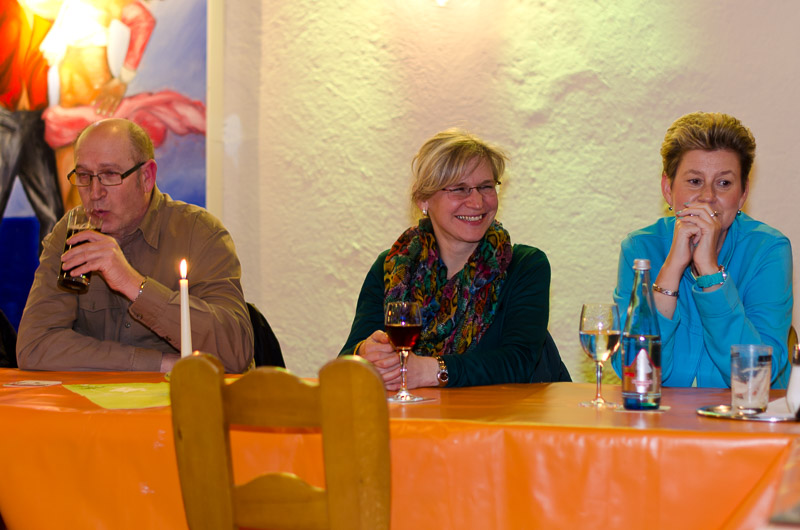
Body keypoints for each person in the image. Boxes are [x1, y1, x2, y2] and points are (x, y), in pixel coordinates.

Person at [16, 118, 253, 373]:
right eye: (84, 176)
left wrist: (133, 284)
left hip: (178, 397)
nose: (94, 193)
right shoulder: (70, 234)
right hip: (100, 399)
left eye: (109, 175)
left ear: (146, 177)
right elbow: (34, 346)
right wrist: (159, 363)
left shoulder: (199, 233)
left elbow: (236, 352)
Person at [339, 129, 570, 388]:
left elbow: (518, 362)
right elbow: (346, 360)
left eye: (486, 186)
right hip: (421, 414)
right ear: (423, 199)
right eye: (459, 189)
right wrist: (365, 353)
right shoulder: (392, 267)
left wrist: (430, 370)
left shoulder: (526, 266)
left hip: (512, 414)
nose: (477, 202)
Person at [611, 112, 792, 388]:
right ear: (668, 189)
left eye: (724, 183)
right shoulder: (639, 248)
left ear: (743, 194)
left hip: (746, 413)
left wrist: (710, 273)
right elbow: (636, 373)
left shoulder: (767, 250)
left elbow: (755, 376)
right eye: (695, 181)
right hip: (663, 413)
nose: (708, 197)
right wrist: (671, 269)